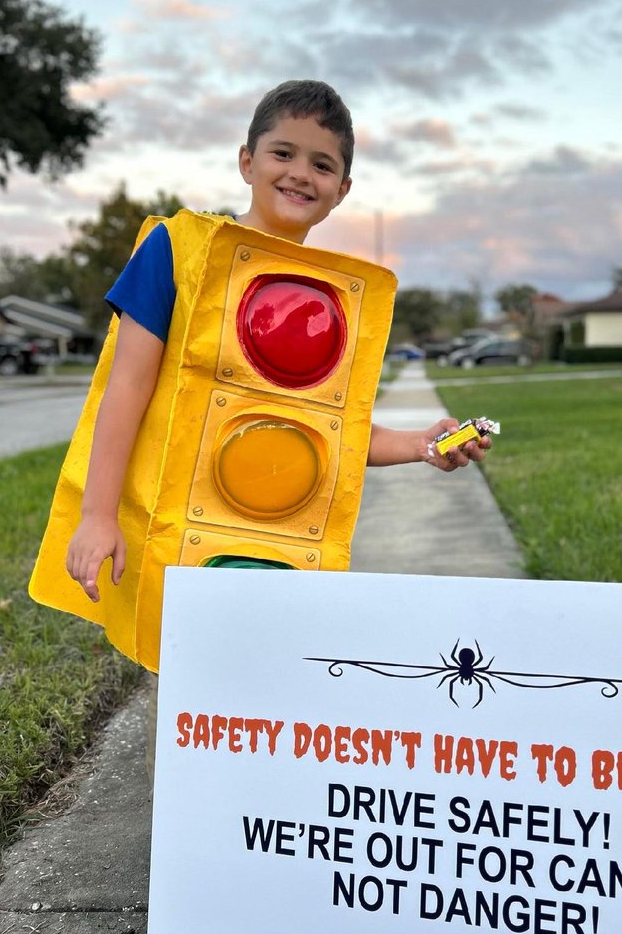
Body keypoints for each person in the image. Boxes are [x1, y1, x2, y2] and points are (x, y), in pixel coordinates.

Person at [65, 79, 491, 603]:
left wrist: (425, 443)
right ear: (247, 162)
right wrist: (98, 515)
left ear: (342, 189)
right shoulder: (176, 250)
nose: (299, 174)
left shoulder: (333, 303)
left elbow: (327, 430)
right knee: (184, 666)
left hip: (275, 541)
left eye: (322, 164)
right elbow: (126, 387)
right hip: (176, 530)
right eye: (283, 153)